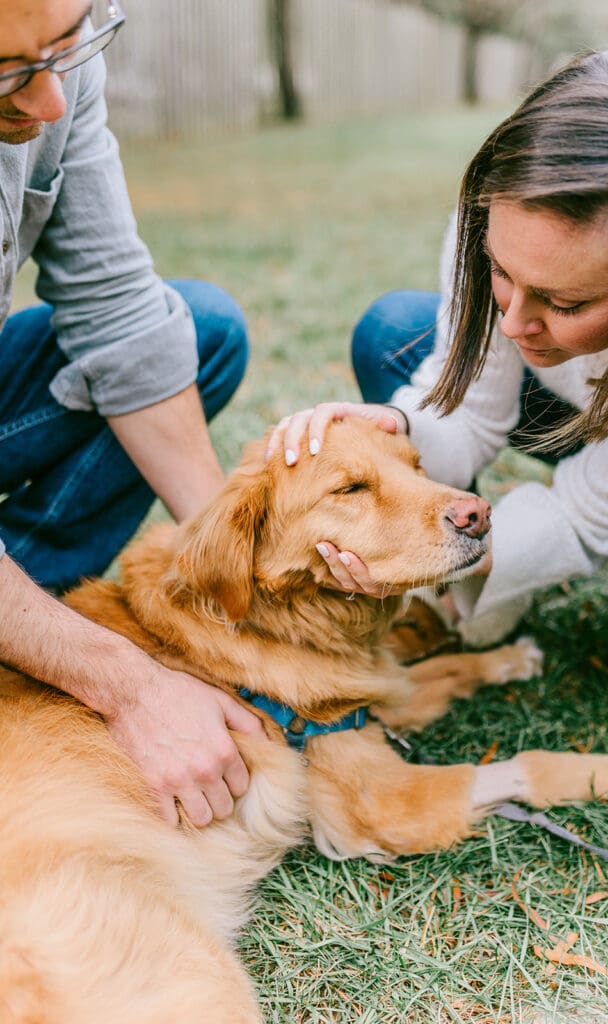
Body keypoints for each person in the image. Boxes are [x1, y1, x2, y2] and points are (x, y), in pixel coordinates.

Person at [271, 46, 608, 692]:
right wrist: (395, 426)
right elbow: (468, 406)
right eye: (499, 272)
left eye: (564, 302)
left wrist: (464, 555)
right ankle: (472, 552)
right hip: (585, 410)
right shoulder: (507, 213)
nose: (514, 322)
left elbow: (584, 506)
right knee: (393, 333)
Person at [0, 0, 266, 829]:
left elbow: (117, 312)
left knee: (199, 329)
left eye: (64, 45)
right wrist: (131, 685)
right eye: (7, 76)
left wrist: (237, 568)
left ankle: (28, 606)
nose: (50, 102)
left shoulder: (54, 63)